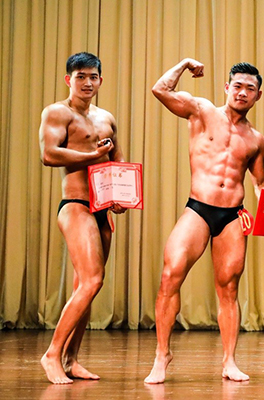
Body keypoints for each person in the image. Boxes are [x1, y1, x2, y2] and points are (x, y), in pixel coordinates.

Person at [144, 58, 264, 384]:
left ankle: (229, 361)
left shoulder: (256, 139)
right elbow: (160, 90)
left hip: (232, 215)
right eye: (237, 86)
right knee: (170, 275)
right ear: (227, 87)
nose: (242, 92)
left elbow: (261, 182)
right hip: (198, 209)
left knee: (229, 287)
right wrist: (184, 64)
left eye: (250, 88)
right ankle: (162, 355)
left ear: (258, 95)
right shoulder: (202, 111)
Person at [39, 52, 127, 384]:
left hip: (102, 208)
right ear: (69, 80)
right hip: (76, 205)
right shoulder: (57, 112)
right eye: (80, 76)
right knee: (92, 280)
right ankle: (51, 355)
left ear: (100, 80)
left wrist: (121, 195)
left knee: (85, 287)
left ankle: (71, 359)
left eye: (93, 76)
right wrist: (92, 155)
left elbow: (117, 159)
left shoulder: (106, 118)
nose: (87, 82)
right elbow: (49, 154)